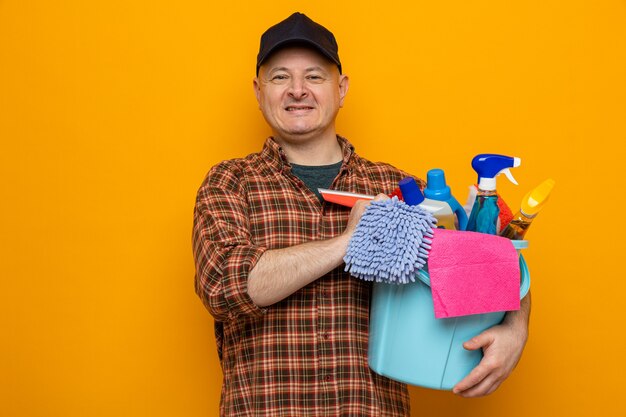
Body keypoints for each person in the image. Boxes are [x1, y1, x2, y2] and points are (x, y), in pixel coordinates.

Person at [192, 12, 530, 416]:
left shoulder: (405, 191)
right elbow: (225, 288)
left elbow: (489, 260)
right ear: (258, 90)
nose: (297, 90)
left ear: (342, 88)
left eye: (314, 77)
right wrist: (349, 242)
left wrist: (515, 327)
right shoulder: (229, 183)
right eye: (280, 77)